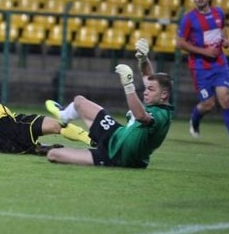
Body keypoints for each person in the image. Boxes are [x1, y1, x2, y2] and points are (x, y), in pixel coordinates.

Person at [43, 38, 173, 168]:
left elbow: (141, 116)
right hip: (115, 135)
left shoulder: (162, 115)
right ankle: (63, 117)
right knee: (79, 101)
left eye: (150, 89)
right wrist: (143, 58)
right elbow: (147, 75)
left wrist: (128, 85)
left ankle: (91, 145)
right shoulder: (157, 100)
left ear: (164, 95)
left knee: (54, 154)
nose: (145, 92)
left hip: (117, 156)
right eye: (146, 88)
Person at [175, 0, 229, 149]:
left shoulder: (218, 12)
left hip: (220, 65)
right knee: (209, 104)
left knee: (225, 98)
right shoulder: (189, 19)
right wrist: (205, 52)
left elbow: (222, 29)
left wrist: (226, 40)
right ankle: (195, 118)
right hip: (200, 68)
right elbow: (180, 43)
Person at [0, 102, 91, 155]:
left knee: (31, 147)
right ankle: (91, 139)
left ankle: (37, 148)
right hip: (11, 125)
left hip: (1, 141)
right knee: (58, 126)